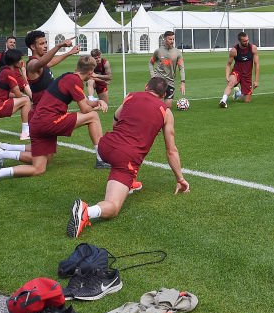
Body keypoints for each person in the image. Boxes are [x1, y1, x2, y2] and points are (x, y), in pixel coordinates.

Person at [67, 77, 190, 238]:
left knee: (126, 161)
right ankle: (86, 211)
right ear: (163, 95)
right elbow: (171, 150)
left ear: (146, 87)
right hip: (125, 158)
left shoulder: (131, 96)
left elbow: (116, 119)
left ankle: (129, 184)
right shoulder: (165, 112)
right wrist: (180, 178)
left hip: (105, 146)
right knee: (113, 207)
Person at [0, 55, 109, 187]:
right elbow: (85, 109)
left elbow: (85, 101)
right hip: (49, 121)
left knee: (40, 166)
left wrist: (98, 101)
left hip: (37, 122)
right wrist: (98, 107)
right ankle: (101, 159)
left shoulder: (68, 76)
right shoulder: (74, 80)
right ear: (90, 72)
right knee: (93, 117)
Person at [24, 30, 79, 138]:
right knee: (91, 117)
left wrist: (69, 53)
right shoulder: (32, 64)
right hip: (40, 115)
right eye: (41, 44)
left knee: (43, 154)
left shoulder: (42, 62)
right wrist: (59, 46)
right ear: (33, 47)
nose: (45, 46)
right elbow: (42, 62)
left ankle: (3, 150)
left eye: (45, 43)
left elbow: (51, 62)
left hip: (46, 113)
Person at [219, 32, 258, 107]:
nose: (247, 42)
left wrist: (256, 80)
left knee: (247, 100)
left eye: (247, 40)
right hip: (237, 72)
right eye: (244, 41)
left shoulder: (253, 48)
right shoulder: (234, 50)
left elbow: (257, 64)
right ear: (239, 41)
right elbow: (228, 64)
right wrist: (227, 76)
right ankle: (223, 100)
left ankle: (238, 94)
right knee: (231, 82)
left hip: (247, 75)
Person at [150, 31, 186, 108]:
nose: (172, 41)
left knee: (167, 107)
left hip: (170, 82)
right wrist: (153, 75)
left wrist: (183, 82)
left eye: (173, 39)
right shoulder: (158, 51)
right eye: (170, 39)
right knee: (158, 107)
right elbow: (151, 63)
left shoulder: (177, 53)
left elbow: (181, 68)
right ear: (165, 39)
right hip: (159, 81)